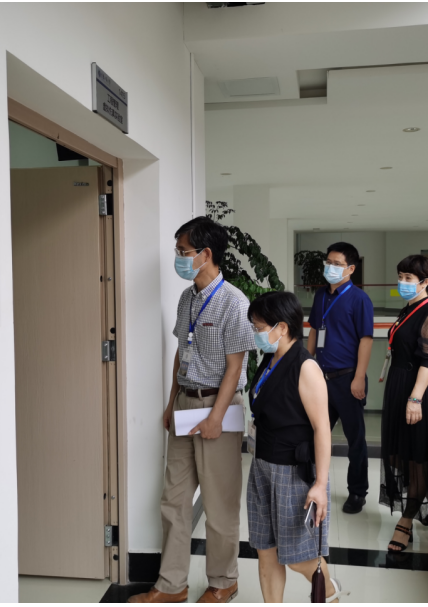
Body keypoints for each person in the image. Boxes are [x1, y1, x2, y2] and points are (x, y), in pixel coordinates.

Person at [129, 217, 256, 604]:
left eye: (183, 251)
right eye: (178, 251)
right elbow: (181, 353)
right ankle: (172, 585)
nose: (179, 258)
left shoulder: (235, 302)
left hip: (219, 406)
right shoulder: (187, 298)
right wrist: (171, 402)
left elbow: (235, 367)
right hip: (185, 405)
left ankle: (224, 581)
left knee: (219, 502)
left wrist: (216, 416)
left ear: (206, 254)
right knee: (174, 499)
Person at [246, 291, 349, 603]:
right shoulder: (270, 359)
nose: (256, 333)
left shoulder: (305, 367)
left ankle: (329, 593)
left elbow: (322, 429)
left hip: (293, 473)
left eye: (259, 327)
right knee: (266, 551)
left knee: (298, 557)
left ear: (282, 327)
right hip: (261, 466)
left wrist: (320, 484)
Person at [380, 255, 428, 552]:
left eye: (408, 278)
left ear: (425, 282)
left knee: (416, 458)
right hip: (398, 384)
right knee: (401, 455)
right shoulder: (408, 307)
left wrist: (415, 399)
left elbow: (427, 362)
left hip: (415, 389)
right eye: (400, 276)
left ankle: (406, 521)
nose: (402, 282)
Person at [307, 242, 374, 514]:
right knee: (313, 432)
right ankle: (312, 482)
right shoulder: (321, 295)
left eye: (337, 264)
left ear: (351, 269)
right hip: (320, 378)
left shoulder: (359, 299)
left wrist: (359, 377)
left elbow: (366, 340)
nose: (330, 267)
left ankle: (357, 492)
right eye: (328, 262)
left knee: (354, 438)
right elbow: (314, 330)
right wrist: (306, 363)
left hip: (347, 379)